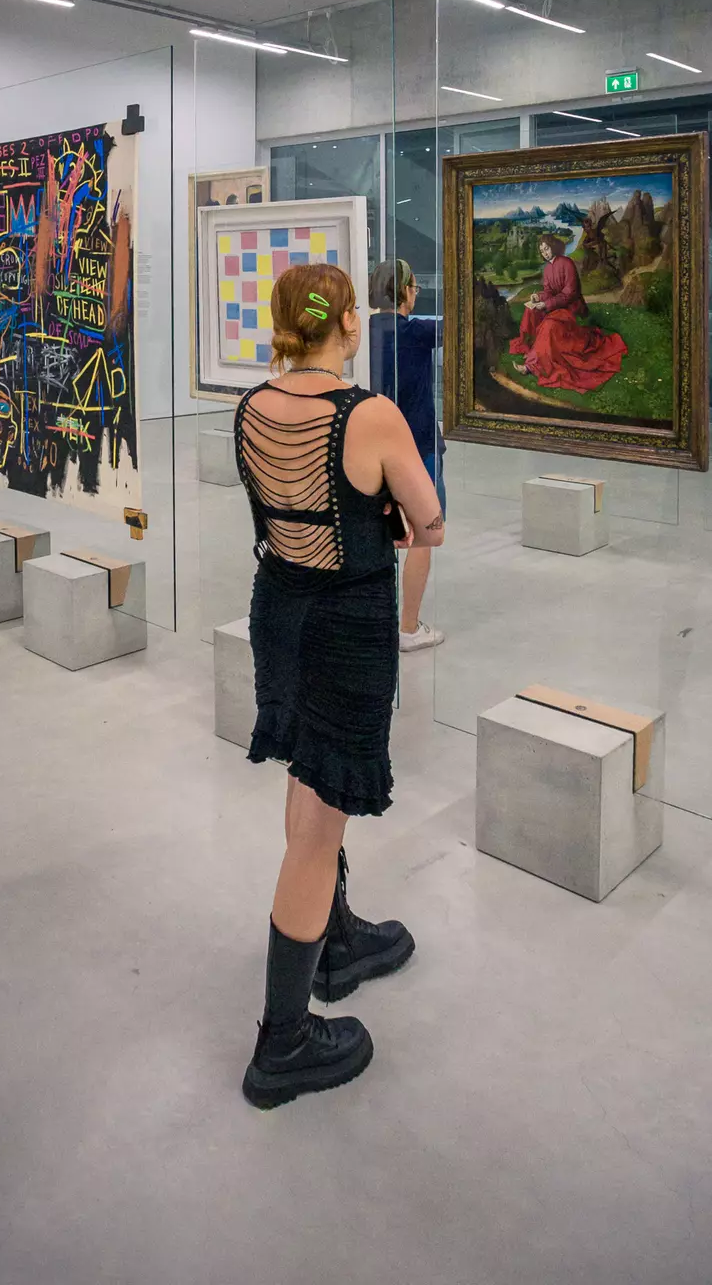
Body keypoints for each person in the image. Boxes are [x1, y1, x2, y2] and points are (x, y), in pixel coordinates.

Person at [235, 261, 445, 1109]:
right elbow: (427, 521)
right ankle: (282, 1042)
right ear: (349, 321)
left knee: (308, 780)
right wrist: (393, 516)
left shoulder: (252, 405)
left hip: (278, 611)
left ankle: (336, 940)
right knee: (320, 822)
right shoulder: (369, 414)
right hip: (346, 628)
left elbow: (276, 501)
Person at [369, 258, 446, 651]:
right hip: (418, 449)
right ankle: (408, 627)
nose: (417, 293)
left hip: (373, 449)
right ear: (404, 291)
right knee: (424, 537)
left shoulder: (367, 331)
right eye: (414, 286)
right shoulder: (415, 333)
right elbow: (462, 326)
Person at [510, 232, 628, 393]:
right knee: (530, 311)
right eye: (542, 250)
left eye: (547, 248)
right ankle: (532, 347)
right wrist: (538, 296)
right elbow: (549, 290)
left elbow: (569, 294)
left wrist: (546, 303)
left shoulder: (567, 263)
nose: (545, 252)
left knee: (549, 326)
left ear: (553, 246)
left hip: (570, 307)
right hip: (555, 305)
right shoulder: (547, 269)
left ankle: (531, 366)